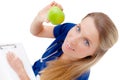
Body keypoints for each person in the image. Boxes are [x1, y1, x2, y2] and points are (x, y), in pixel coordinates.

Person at [7, 1, 118, 80]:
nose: (73, 39)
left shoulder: (79, 76)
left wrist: (21, 72)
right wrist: (40, 17)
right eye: (78, 28)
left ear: (94, 54)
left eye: (86, 42)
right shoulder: (68, 29)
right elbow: (37, 31)